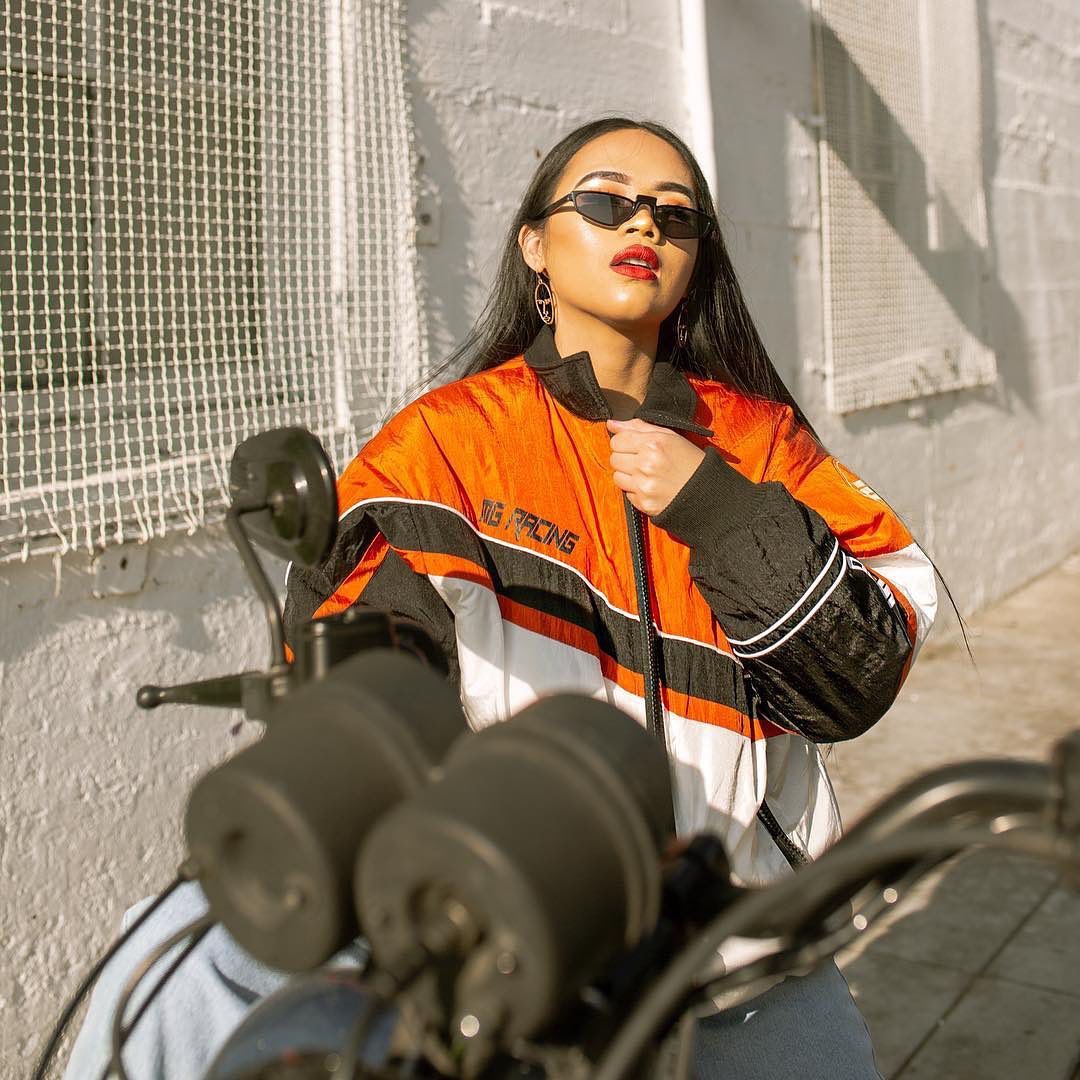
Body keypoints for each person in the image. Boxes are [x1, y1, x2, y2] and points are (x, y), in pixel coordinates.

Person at [65, 117, 936, 1078]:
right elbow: (361, 690)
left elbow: (860, 674)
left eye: (676, 214)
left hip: (732, 948)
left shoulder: (763, 444)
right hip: (516, 934)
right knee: (171, 944)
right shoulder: (447, 444)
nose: (644, 223)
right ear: (535, 246)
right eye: (607, 201)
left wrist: (719, 509)